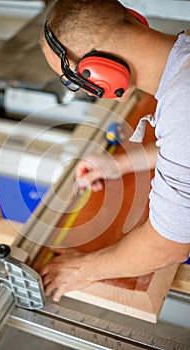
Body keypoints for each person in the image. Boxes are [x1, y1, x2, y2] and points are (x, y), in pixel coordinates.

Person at [39, 0, 190, 302]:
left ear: (99, 71)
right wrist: (120, 165)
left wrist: (82, 269)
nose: (83, 90)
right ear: (134, 18)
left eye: (76, 80)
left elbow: (169, 245)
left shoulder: (182, 103)